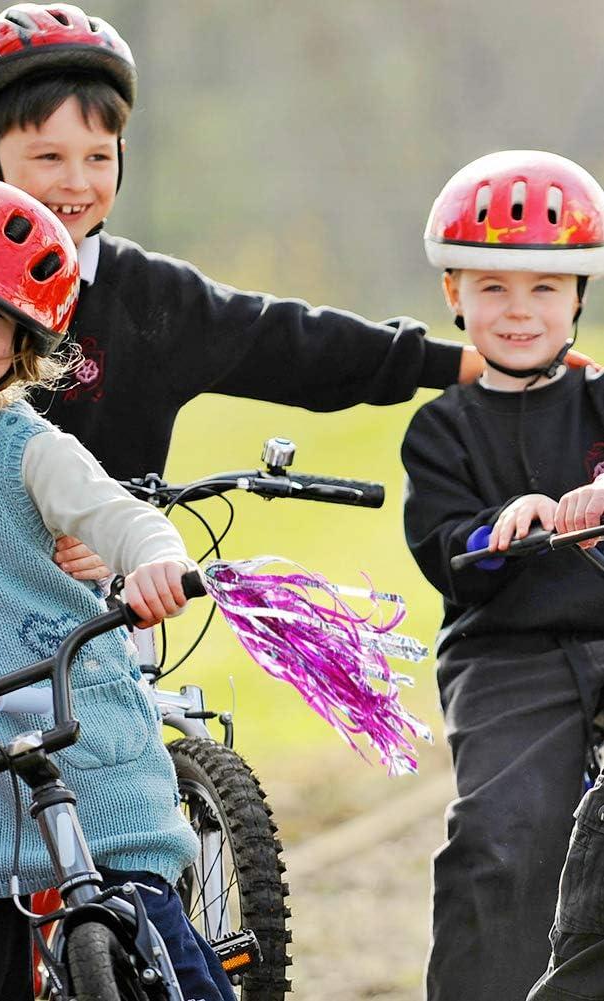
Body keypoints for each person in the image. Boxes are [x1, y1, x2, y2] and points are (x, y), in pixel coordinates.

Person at [0, 174, 231, 1001]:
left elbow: (120, 517)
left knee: (153, 941)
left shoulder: (28, 446)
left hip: (76, 726)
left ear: (29, 336)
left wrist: (151, 561)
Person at [0, 1, 489, 488]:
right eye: (49, 157)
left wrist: (459, 363)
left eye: (98, 157)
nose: (78, 182)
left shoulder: (151, 299)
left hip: (110, 594)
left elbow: (294, 343)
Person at [401, 149, 604, 1001]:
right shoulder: (439, 428)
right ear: (454, 296)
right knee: (502, 834)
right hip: (505, 657)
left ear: (577, 299)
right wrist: (500, 526)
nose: (517, 311)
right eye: (492, 288)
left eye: (542, 289)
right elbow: (445, 552)